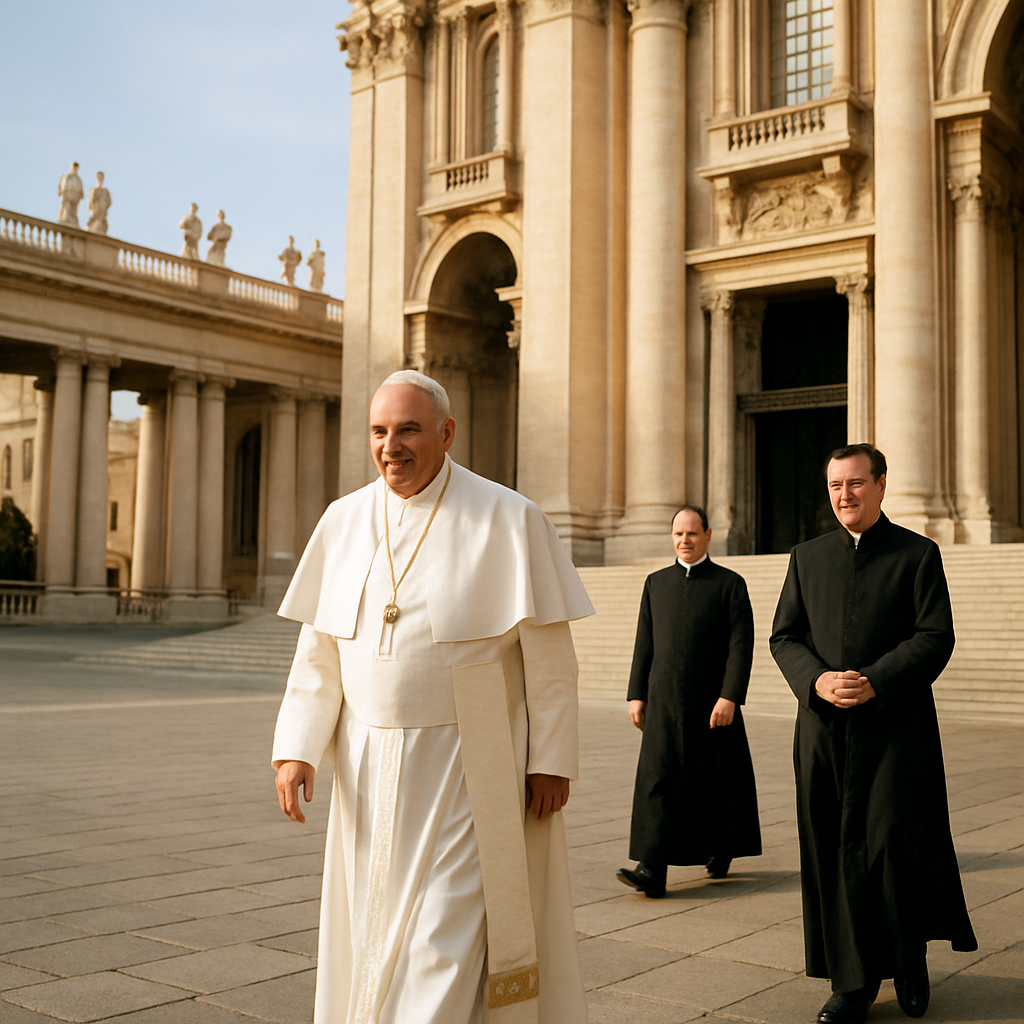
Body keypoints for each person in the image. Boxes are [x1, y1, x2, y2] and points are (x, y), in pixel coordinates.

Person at [272, 370, 594, 1024]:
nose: (390, 447)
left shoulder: (509, 516)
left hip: (470, 762)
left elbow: (551, 660)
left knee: (445, 931)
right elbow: (319, 650)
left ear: (446, 433)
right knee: (372, 924)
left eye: (408, 430)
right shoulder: (344, 519)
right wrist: (297, 747)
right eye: (379, 431)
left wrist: (552, 758)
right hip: (366, 762)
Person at [770, 444, 977, 1024]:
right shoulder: (806, 557)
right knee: (834, 854)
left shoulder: (918, 553)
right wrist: (817, 680)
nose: (845, 495)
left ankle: (909, 961)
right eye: (836, 486)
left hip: (896, 732)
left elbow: (935, 636)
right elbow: (784, 636)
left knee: (894, 849)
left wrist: (876, 682)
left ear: (881, 485)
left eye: (856, 483)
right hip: (823, 733)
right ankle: (852, 982)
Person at [617, 505, 761, 899]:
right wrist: (636, 693)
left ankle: (720, 848)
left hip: (712, 704)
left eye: (692, 533)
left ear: (708, 535)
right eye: (679, 533)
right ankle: (652, 868)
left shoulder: (730, 584)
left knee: (714, 782)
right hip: (663, 703)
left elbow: (741, 645)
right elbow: (644, 642)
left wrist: (730, 696)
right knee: (657, 781)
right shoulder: (656, 583)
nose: (685, 540)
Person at [57, 161, 84, 226]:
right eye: (73, 167)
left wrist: (80, 194)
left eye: (76, 167)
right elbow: (61, 187)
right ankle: (62, 218)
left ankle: (72, 220)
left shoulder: (78, 179)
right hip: (67, 194)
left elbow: (80, 189)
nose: (74, 168)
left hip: (75, 196)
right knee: (65, 207)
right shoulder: (67, 176)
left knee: (73, 210)